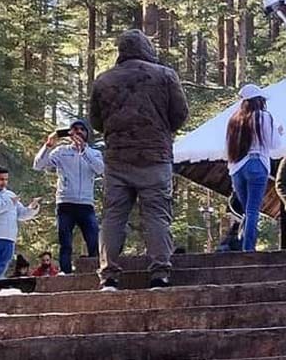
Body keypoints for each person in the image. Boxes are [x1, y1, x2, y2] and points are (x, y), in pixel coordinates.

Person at [90, 29, 189, 290]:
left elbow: (96, 122)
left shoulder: (103, 81)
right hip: (155, 157)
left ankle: (108, 275)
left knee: (113, 216)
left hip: (118, 159)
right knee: (156, 214)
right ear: (147, 47)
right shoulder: (165, 76)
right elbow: (180, 114)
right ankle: (159, 273)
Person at [33, 118, 105, 274]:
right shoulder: (61, 151)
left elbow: (100, 169)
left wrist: (83, 151)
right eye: (75, 129)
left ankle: (95, 272)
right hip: (65, 203)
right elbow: (38, 165)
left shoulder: (94, 153)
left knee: (93, 240)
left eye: (82, 129)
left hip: (86, 204)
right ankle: (66, 273)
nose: (78, 132)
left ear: (87, 133)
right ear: (70, 133)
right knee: (65, 243)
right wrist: (48, 145)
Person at [226, 84, 281, 252]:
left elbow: (228, 147)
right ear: (259, 101)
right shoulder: (263, 117)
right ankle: (248, 248)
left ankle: (241, 242)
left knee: (245, 209)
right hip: (257, 164)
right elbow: (274, 144)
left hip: (237, 167)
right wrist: (278, 132)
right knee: (252, 210)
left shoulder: (234, 119)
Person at [0, 166, 40, 280]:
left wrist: (32, 208)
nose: (4, 182)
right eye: (1, 179)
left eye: (6, 179)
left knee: (0, 275)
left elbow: (21, 215)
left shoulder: (10, 195)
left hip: (9, 239)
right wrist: (8, 204)